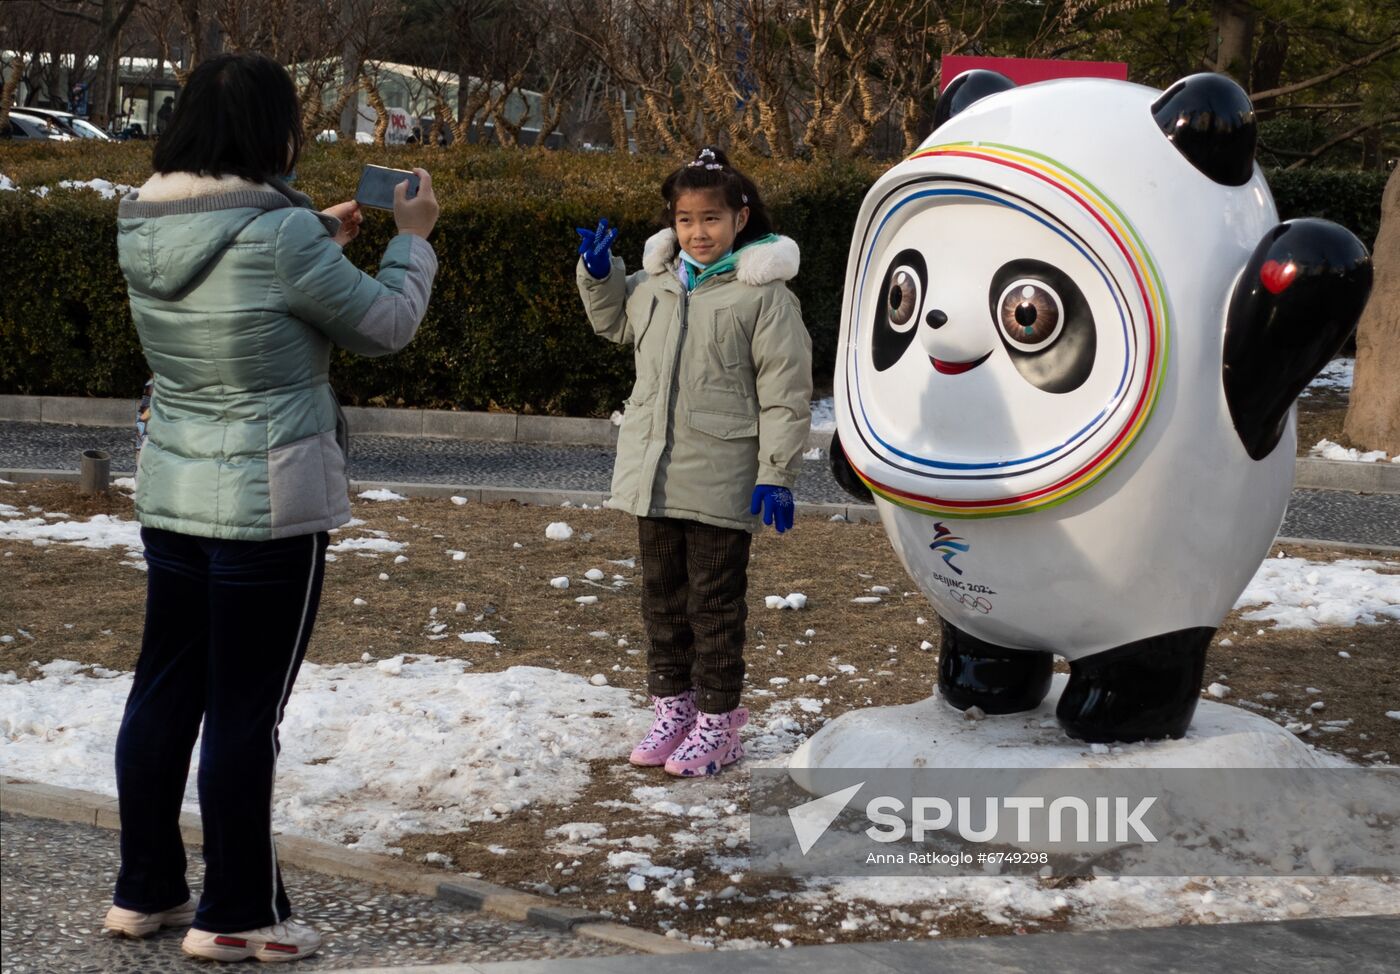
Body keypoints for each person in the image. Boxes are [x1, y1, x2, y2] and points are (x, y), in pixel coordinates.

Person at [106, 52, 439, 963]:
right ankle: (238, 912)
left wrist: (317, 229)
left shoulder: (139, 221)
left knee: (163, 692)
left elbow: (234, 269)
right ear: (270, 133)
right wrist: (412, 238)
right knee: (245, 712)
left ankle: (145, 889)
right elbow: (387, 326)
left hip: (173, 496)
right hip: (268, 503)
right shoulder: (282, 237)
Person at [574, 145, 812, 778]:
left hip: (722, 478)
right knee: (662, 601)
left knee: (714, 604)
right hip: (653, 474)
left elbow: (786, 395)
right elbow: (613, 326)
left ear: (740, 218)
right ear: (672, 223)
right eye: (685, 219)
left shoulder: (764, 298)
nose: (698, 232)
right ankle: (673, 709)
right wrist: (598, 273)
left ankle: (719, 720)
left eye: (711, 218)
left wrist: (776, 473)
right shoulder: (655, 285)